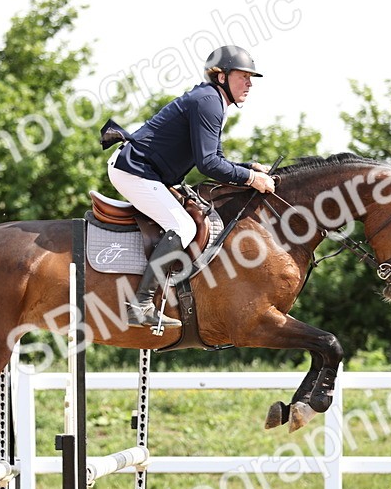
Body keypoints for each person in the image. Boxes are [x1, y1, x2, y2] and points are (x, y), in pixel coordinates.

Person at [106, 45, 276, 329]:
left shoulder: (212, 100)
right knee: (184, 227)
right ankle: (140, 305)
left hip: (146, 172)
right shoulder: (209, 101)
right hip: (134, 171)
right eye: (243, 76)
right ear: (221, 77)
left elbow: (215, 158)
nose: (249, 83)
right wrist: (251, 180)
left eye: (251, 78)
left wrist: (249, 167)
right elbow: (208, 164)